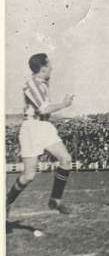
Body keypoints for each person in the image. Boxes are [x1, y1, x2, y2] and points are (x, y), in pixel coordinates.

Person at [5, 53, 75, 219]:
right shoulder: (31, 85)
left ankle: (55, 200)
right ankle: (6, 202)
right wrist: (64, 105)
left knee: (65, 160)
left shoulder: (42, 83)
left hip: (44, 126)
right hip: (31, 128)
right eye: (49, 64)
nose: (52, 67)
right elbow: (43, 109)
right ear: (43, 68)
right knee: (28, 176)